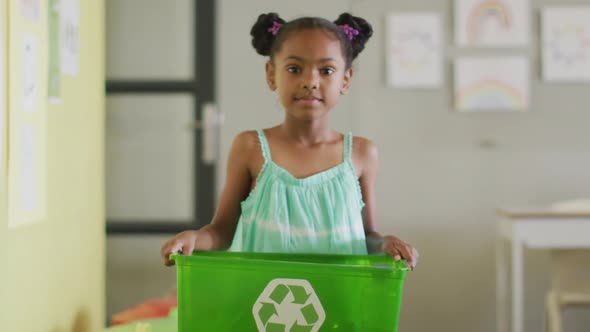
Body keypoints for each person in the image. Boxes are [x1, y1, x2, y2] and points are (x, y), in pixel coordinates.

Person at [161, 12, 419, 269]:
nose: (310, 82)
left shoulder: (362, 153)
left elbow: (367, 237)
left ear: (346, 79)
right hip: (262, 302)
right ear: (271, 75)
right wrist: (194, 237)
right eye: (294, 69)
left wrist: (386, 243)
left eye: (326, 70)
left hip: (338, 300)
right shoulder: (249, 147)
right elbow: (221, 232)